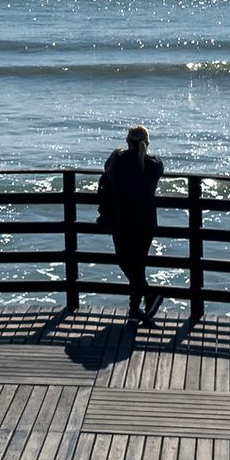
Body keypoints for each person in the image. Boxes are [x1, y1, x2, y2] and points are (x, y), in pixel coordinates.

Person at [100, 124, 164, 321]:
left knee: (126, 262)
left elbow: (106, 168)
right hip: (146, 222)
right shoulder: (155, 164)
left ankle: (147, 297)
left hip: (123, 220)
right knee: (138, 265)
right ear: (147, 143)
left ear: (128, 142)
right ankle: (135, 311)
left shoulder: (118, 160)